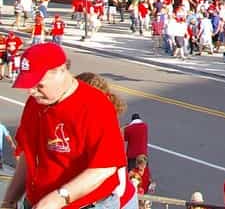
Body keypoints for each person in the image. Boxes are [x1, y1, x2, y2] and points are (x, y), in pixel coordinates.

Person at [1, 43, 132, 209]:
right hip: (39, 201)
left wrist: (59, 198)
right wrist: (10, 200)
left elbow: (104, 168)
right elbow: (28, 155)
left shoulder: (95, 106)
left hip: (82, 204)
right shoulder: (35, 104)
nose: (32, 91)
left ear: (61, 71)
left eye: (39, 85)